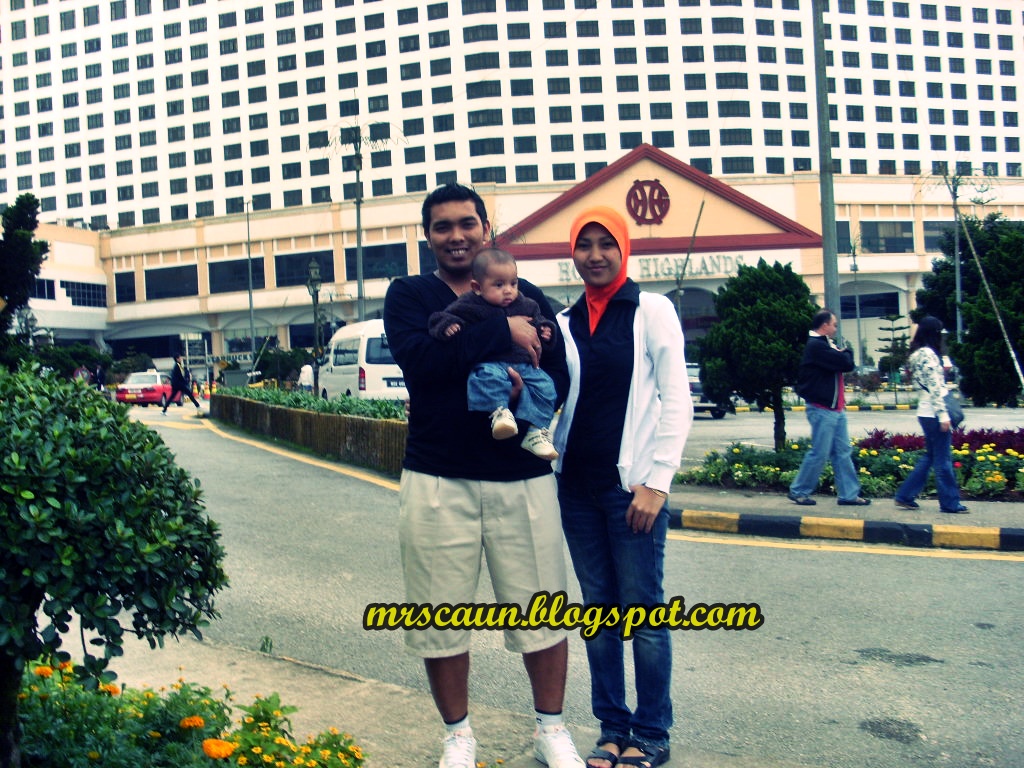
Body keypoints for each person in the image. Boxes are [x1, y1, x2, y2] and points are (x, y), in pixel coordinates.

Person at [382, 183, 584, 768]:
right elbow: (424, 363)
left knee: (542, 607)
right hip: (437, 477)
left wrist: (528, 393)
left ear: (486, 227)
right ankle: (458, 737)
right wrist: (504, 335)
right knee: (438, 613)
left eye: (466, 223)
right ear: (427, 236)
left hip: (521, 476)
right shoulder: (409, 295)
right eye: (442, 226)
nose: (456, 236)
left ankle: (551, 730)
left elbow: (559, 372)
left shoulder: (526, 291)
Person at [552, 206, 693, 768]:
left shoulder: (651, 310)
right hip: (575, 490)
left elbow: (677, 400)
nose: (594, 255)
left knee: (645, 614)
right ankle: (612, 728)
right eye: (583, 244)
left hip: (631, 491)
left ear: (624, 248)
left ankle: (652, 733)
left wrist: (658, 483)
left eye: (605, 243)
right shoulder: (565, 321)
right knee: (598, 615)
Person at [428, 247, 559, 460]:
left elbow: (540, 323)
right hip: (492, 362)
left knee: (546, 387)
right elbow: (441, 317)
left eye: (513, 283)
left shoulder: (527, 303)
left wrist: (545, 331)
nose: (508, 291)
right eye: (499, 285)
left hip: (526, 365)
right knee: (484, 377)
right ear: (477, 287)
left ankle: (536, 431)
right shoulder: (470, 304)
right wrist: (448, 325)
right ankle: (499, 413)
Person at [787, 309, 870, 507]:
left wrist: (841, 353)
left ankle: (849, 495)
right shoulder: (816, 346)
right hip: (822, 408)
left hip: (835, 409)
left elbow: (842, 364)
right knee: (820, 452)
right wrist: (847, 351)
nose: (835, 328)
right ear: (824, 325)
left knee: (843, 452)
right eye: (834, 325)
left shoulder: (825, 345)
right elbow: (846, 363)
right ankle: (799, 491)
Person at [894, 316, 968, 514]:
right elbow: (935, 387)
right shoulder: (928, 354)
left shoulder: (916, 354)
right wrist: (943, 416)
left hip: (925, 411)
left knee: (930, 456)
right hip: (935, 412)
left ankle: (905, 495)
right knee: (943, 460)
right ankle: (950, 503)